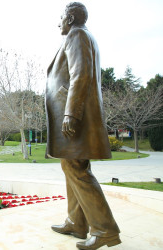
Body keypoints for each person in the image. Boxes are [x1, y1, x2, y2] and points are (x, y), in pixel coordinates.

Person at [45, 2, 121, 249]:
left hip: (75, 117)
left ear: (69, 17)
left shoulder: (77, 34)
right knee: (71, 165)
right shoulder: (83, 36)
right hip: (75, 116)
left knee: (77, 168)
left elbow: (81, 73)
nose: (58, 23)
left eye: (60, 18)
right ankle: (77, 223)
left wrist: (71, 113)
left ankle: (105, 230)